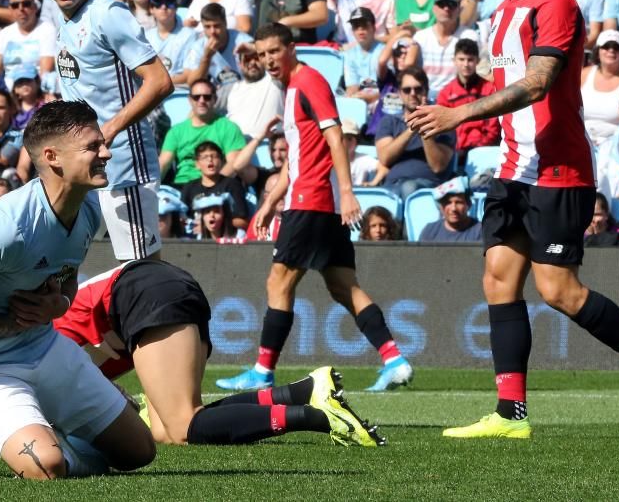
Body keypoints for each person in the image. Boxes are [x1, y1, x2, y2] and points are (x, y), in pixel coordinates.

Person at [406, 0, 619, 440]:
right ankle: (511, 413)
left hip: (559, 172)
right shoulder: (498, 13)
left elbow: (537, 84)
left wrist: (460, 112)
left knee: (560, 292)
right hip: (514, 170)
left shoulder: (554, 2)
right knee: (497, 279)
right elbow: (511, 93)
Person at [0, 99, 156, 480]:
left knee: (140, 452)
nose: (106, 152)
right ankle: (0, 419)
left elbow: (66, 279)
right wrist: (1, 327)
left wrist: (60, 303)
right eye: (93, 146)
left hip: (44, 345)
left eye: (102, 143)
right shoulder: (4, 229)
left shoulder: (90, 210)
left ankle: (43, 424)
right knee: (45, 464)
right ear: (52, 156)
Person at [216, 22, 414, 393]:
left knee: (279, 281)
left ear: (292, 49)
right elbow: (299, 155)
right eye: (262, 54)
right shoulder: (291, 89)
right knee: (343, 286)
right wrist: (271, 202)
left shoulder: (309, 82)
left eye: (275, 51)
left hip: (312, 201)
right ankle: (394, 359)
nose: (268, 60)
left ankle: (262, 370)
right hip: (317, 202)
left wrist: (347, 190)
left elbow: (335, 136)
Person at [52, 259, 382, 446]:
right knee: (164, 430)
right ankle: (303, 392)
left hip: (142, 294)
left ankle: (319, 417)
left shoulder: (37, 355)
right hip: (159, 287)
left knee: (183, 425)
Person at [38, 0, 174, 261]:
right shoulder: (65, 16)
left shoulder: (108, 14)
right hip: (81, 166)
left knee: (141, 270)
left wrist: (108, 130)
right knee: (60, 267)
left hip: (124, 165)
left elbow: (159, 82)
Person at [376, 66, 455, 199]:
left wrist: (424, 126)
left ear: (426, 91)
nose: (412, 93)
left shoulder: (443, 123)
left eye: (418, 89)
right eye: (407, 90)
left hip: (428, 187)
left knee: (409, 187)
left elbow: (438, 166)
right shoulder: (388, 122)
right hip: (392, 186)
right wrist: (412, 128)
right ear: (400, 93)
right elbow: (385, 158)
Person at [159, 79, 246, 186]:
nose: (201, 101)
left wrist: (212, 185)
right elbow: (163, 163)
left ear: (215, 99)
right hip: (182, 186)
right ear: (190, 100)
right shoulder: (176, 131)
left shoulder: (229, 128)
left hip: (217, 185)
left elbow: (233, 164)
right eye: (196, 97)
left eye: (207, 97)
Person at [436, 38, 500, 166]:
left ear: (477, 61)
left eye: (470, 60)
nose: (466, 64)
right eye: (461, 59)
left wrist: (478, 148)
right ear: (454, 60)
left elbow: (493, 128)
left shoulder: (490, 89)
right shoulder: (446, 93)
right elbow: (442, 127)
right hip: (454, 153)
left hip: (483, 152)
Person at [0, 0, 57, 93]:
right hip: (8, 96)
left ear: (35, 7)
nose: (21, 9)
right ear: (10, 9)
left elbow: (45, 73)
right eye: (15, 5)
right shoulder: (4, 34)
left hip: (35, 93)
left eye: (26, 4)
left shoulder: (47, 30)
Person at [411, 0, 472, 101]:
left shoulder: (469, 36)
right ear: (434, 8)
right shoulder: (420, 37)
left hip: (457, 97)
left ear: (459, 9)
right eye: (441, 4)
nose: (446, 8)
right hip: (425, 96)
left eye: (451, 4)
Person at [179, 140, 250, 229]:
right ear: (197, 164)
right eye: (205, 157)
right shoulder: (189, 188)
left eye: (215, 156)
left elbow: (243, 221)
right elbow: (181, 219)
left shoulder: (232, 185)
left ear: (221, 161)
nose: (210, 160)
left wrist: (214, 225)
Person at [216, 46, 284, 138]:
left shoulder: (275, 81)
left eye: (257, 58)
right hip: (238, 147)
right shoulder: (231, 89)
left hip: (270, 147)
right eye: (247, 59)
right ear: (240, 64)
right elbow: (203, 107)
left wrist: (255, 48)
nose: (252, 63)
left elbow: (286, 60)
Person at [180, 3, 252, 88]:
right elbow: (192, 83)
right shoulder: (198, 47)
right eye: (207, 27)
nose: (212, 31)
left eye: (216, 26)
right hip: (217, 97)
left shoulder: (243, 41)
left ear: (225, 23)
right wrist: (206, 58)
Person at [581, 30, 619, 146]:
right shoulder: (583, 75)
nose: (611, 50)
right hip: (581, 142)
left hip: (617, 145)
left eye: (616, 47)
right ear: (597, 51)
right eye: (606, 46)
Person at [144, 0, 197, 84]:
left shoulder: (190, 35)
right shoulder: (146, 37)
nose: (164, 7)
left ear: (176, 8)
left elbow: (188, 75)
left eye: (169, 3)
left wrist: (158, 83)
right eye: (158, 3)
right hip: (152, 91)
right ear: (151, 9)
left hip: (179, 89)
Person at [343, 7, 387, 104]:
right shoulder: (349, 54)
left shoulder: (385, 51)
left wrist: (374, 97)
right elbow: (351, 88)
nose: (360, 30)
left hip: (383, 99)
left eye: (365, 25)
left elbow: (391, 88)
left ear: (374, 28)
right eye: (356, 26)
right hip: (359, 101)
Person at [418, 176, 482, 242]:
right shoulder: (430, 230)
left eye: (458, 202)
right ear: (441, 207)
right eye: (448, 203)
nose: (453, 208)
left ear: (468, 204)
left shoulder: (481, 231)